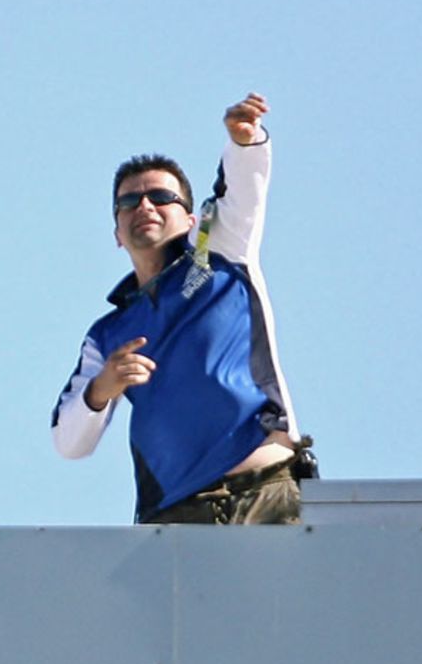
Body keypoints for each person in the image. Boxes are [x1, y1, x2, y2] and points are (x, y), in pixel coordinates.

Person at [52, 92, 305, 524]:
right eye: (128, 202)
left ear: (190, 219)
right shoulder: (107, 334)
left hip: (266, 492)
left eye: (160, 197)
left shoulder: (219, 251)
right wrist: (102, 387)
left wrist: (244, 141)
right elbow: (69, 442)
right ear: (116, 234)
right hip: (175, 519)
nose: (144, 206)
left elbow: (243, 190)